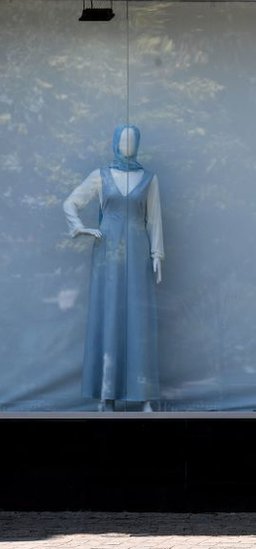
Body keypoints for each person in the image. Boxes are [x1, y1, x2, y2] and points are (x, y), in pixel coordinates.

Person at [63, 124, 163, 412]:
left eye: (133, 139)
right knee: (109, 316)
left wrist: (158, 254)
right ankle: (106, 394)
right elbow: (70, 203)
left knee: (138, 320)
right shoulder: (101, 176)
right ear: (116, 142)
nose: (128, 144)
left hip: (138, 250)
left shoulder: (148, 178)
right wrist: (80, 228)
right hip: (108, 251)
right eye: (124, 139)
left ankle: (144, 395)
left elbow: (154, 219)